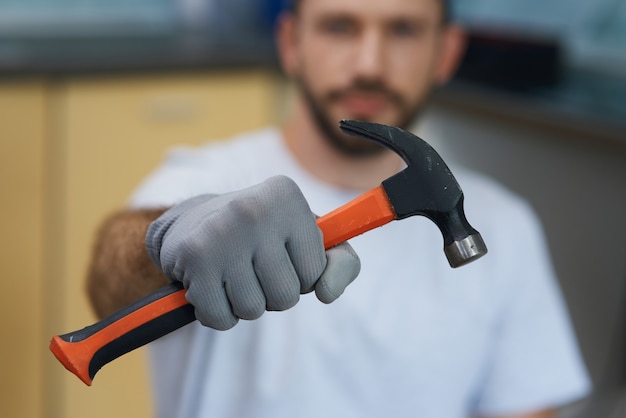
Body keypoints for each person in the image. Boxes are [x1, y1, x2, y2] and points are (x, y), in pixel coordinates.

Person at [86, 0, 591, 417]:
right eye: (339, 26)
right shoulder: (205, 181)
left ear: (447, 51)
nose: (369, 64)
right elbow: (110, 280)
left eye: (403, 31)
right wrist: (165, 241)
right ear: (291, 44)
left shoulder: (506, 226)